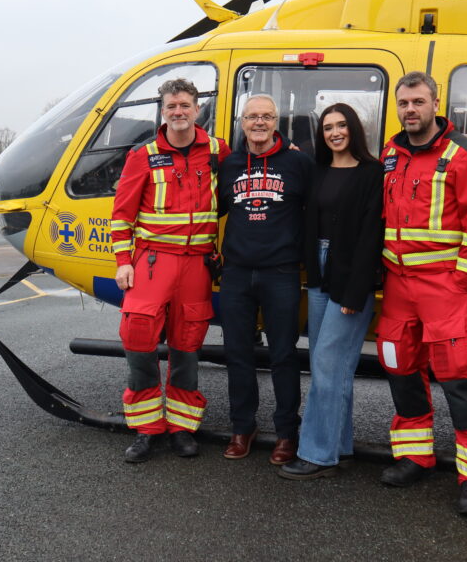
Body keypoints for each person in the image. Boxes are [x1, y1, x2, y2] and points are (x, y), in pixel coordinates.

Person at [375, 71, 467, 516]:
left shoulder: (465, 155)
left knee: (458, 380)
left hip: (443, 289)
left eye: (418, 102)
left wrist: (458, 283)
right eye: (404, 103)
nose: (411, 110)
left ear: (435, 102)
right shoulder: (390, 152)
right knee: (400, 369)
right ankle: (414, 457)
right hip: (397, 287)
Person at [110, 78, 230, 463]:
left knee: (188, 345)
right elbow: (122, 213)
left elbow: (247, 172)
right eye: (170, 106)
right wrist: (122, 261)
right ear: (163, 112)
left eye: (184, 105)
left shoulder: (217, 151)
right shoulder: (142, 155)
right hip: (152, 262)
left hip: (196, 264)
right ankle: (147, 429)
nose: (178, 112)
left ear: (198, 109)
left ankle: (181, 428)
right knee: (138, 336)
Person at [278, 103, 383, 480]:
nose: (335, 132)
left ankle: (317, 455)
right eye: (327, 128)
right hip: (320, 274)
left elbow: (372, 236)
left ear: (353, 128)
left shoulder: (372, 173)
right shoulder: (317, 170)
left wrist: (357, 292)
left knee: (326, 365)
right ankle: (340, 446)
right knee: (333, 367)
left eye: (341, 125)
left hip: (349, 275)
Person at [217, 94, 312, 465]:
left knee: (284, 356)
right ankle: (243, 427)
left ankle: (287, 433)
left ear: (277, 122)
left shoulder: (298, 163)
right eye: (252, 116)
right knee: (237, 354)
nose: (259, 122)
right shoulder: (229, 165)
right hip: (237, 273)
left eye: (267, 117)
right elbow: (209, 209)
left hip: (281, 273)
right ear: (242, 123)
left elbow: (317, 211)